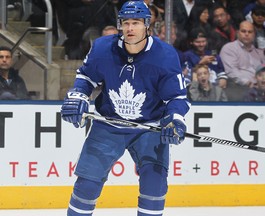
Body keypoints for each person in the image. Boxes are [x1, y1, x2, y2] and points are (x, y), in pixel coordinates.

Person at [60, 1, 190, 216]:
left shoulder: (165, 55)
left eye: (136, 23)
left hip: (149, 128)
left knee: (154, 185)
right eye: (126, 23)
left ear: (147, 25)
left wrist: (175, 119)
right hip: (108, 124)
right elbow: (86, 77)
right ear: (120, 25)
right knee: (87, 184)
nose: (130, 29)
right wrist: (78, 95)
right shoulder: (102, 47)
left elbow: (176, 97)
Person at [220, 21, 265, 101]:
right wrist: (249, 83)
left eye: (250, 32)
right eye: (243, 31)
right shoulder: (229, 48)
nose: (247, 34)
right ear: (237, 33)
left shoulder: (259, 52)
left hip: (259, 89)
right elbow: (232, 72)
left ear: (254, 35)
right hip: (239, 88)